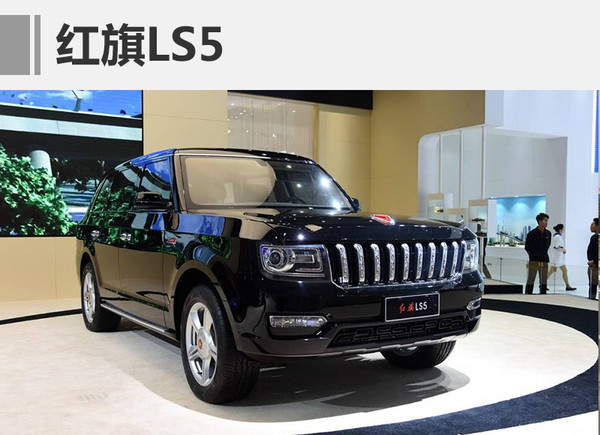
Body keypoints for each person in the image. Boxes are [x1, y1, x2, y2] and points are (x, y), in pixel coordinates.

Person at [524, 213, 551, 294]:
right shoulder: (532, 234)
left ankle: (543, 296)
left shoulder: (548, 233)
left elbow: (548, 246)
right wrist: (533, 256)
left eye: (547, 221)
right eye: (545, 221)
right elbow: (527, 247)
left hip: (544, 260)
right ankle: (528, 295)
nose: (546, 222)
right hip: (534, 261)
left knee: (543, 281)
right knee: (531, 279)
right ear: (539, 221)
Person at [547, 224, 576, 291]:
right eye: (563, 228)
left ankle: (567, 285)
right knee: (552, 271)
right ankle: (542, 283)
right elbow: (557, 247)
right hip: (557, 258)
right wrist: (563, 250)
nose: (564, 229)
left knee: (563, 270)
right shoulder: (558, 237)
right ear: (560, 229)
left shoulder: (557, 236)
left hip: (558, 258)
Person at [587, 218, 599, 300]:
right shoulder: (593, 237)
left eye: (592, 224)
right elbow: (590, 251)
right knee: (592, 285)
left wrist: (594, 261)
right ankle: (591, 300)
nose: (591, 226)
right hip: (592, 266)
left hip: (596, 265)